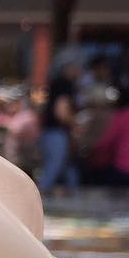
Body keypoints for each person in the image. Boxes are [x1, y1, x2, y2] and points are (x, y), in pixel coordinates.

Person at [38, 59, 81, 193]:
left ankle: (73, 197)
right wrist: (75, 123)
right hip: (56, 133)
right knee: (54, 167)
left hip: (51, 132)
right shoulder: (64, 84)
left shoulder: (56, 83)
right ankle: (37, 200)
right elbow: (61, 112)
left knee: (66, 167)